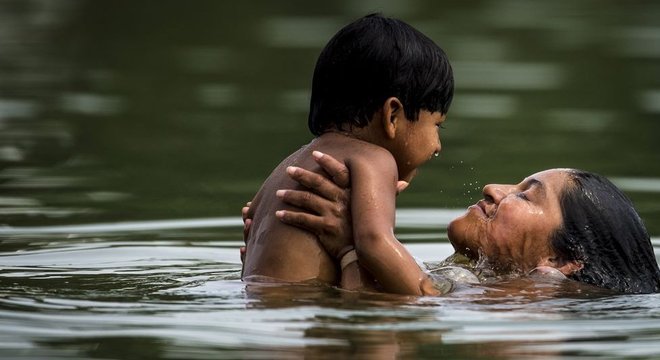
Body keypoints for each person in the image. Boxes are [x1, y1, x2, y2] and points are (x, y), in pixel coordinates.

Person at [241, 14, 454, 290]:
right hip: (305, 311)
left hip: (259, 310)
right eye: (437, 125)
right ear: (392, 116)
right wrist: (427, 291)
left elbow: (251, 225)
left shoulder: (287, 166)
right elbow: (374, 242)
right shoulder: (375, 159)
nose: (438, 145)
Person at [261, 152, 660, 295]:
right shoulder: (487, 286)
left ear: (559, 260)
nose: (492, 188)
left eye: (524, 194)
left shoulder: (530, 305)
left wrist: (351, 246)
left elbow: (378, 319)